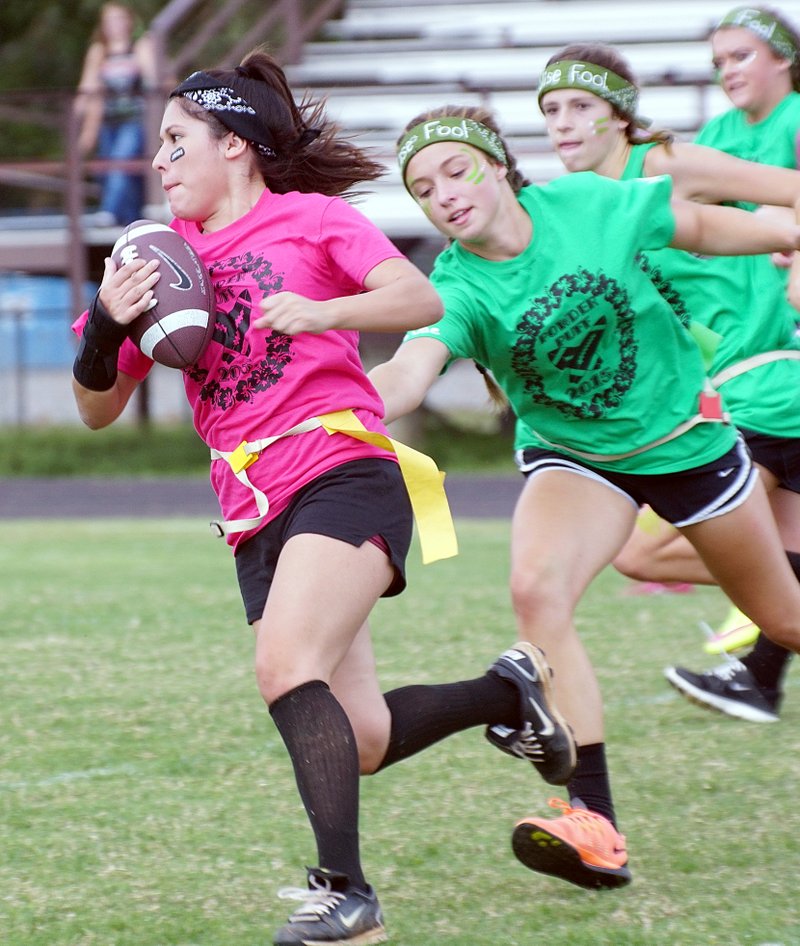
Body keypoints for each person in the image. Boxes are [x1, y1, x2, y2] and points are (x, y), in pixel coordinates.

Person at [70, 50, 578, 945]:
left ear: (236, 144)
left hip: (342, 470)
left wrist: (323, 315)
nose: (159, 161)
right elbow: (97, 411)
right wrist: (107, 327)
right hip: (250, 506)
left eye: (176, 141)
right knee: (366, 738)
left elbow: (417, 296)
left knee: (284, 664)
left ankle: (347, 894)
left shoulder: (310, 221)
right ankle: (507, 692)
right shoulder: (157, 259)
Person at [368, 103, 800, 892]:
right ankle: (592, 822)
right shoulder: (457, 284)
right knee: (537, 590)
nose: (446, 194)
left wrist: (789, 233)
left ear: (498, 164)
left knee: (785, 619)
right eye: (425, 189)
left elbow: (700, 229)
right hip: (577, 462)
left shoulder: (588, 204)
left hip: (688, 446)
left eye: (457, 170)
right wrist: (343, 406)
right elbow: (409, 369)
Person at [536, 40, 800, 724]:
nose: (562, 122)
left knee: (643, 551)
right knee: (784, 580)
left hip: (765, 379)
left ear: (620, 116)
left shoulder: (662, 164)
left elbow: (791, 192)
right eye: (551, 108)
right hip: (741, 384)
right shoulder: (590, 200)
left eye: (581, 106)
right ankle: (757, 682)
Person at [74, 2, 159, 225]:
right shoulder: (99, 51)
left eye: (119, 19)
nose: (115, 25)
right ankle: (132, 220)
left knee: (121, 162)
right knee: (109, 168)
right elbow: (88, 86)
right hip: (107, 121)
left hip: (134, 119)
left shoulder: (138, 47)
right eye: (110, 20)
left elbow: (153, 80)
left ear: (129, 21)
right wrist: (77, 115)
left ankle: (108, 211)